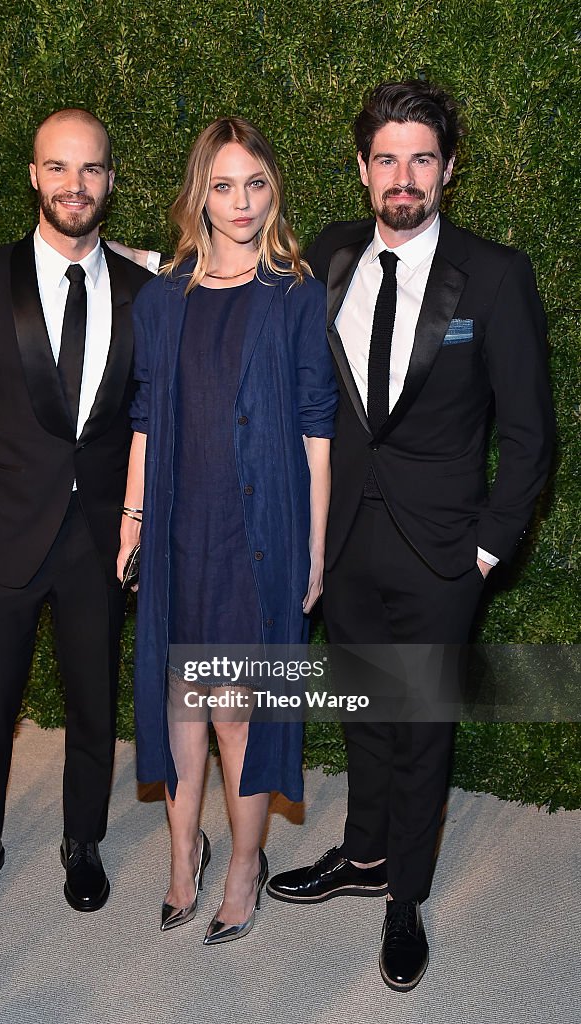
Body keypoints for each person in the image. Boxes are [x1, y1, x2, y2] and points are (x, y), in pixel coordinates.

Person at [266, 80, 555, 990]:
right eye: (386, 159)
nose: (403, 176)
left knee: (421, 725)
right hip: (343, 539)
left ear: (447, 168)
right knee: (361, 710)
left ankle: (405, 902)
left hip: (442, 554)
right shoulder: (331, 255)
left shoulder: (494, 275)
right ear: (361, 170)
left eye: (420, 158)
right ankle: (361, 855)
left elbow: (530, 432)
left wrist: (485, 547)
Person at [0, 108, 152, 918]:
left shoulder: (143, 290)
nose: (74, 184)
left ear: (110, 180)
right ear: (33, 175)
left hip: (98, 541)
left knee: (94, 703)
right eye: (58, 167)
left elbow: (146, 420)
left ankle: (82, 841)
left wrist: (135, 517)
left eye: (90, 168)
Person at [117, 116, 337, 944]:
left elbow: (317, 430)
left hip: (261, 532)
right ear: (197, 194)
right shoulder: (161, 299)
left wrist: (313, 549)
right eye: (222, 184)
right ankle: (185, 852)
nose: (240, 202)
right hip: (178, 525)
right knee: (180, 703)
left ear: (271, 189)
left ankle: (245, 864)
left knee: (237, 711)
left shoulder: (295, 294)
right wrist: (132, 520)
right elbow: (143, 419)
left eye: (255, 183)